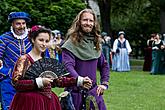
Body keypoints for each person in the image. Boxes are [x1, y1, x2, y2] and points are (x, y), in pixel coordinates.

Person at [9, 25, 92, 110]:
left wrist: (79, 80)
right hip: (29, 102)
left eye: (47, 41)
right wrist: (39, 82)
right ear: (33, 40)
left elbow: (58, 81)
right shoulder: (24, 59)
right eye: (41, 40)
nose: (44, 44)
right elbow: (16, 83)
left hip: (48, 101)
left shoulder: (47, 61)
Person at [61, 9, 110, 110]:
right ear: (79, 22)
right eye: (85, 20)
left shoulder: (95, 43)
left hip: (94, 94)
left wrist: (104, 84)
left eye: (91, 21)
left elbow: (104, 65)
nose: (88, 23)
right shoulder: (70, 44)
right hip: (75, 95)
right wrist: (80, 80)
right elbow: (68, 66)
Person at [0, 12, 32, 110]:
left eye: (23, 23)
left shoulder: (32, 38)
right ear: (12, 24)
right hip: (8, 80)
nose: (21, 26)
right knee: (10, 107)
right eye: (18, 23)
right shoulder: (4, 39)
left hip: (29, 80)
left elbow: (43, 56)